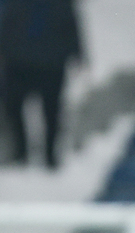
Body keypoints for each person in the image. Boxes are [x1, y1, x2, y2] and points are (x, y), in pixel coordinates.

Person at [0, 0, 82, 168]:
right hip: (19, 62)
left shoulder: (62, 4)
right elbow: (6, 24)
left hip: (51, 65)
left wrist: (78, 54)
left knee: (52, 112)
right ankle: (20, 152)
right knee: (12, 106)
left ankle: (50, 156)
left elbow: (71, 27)